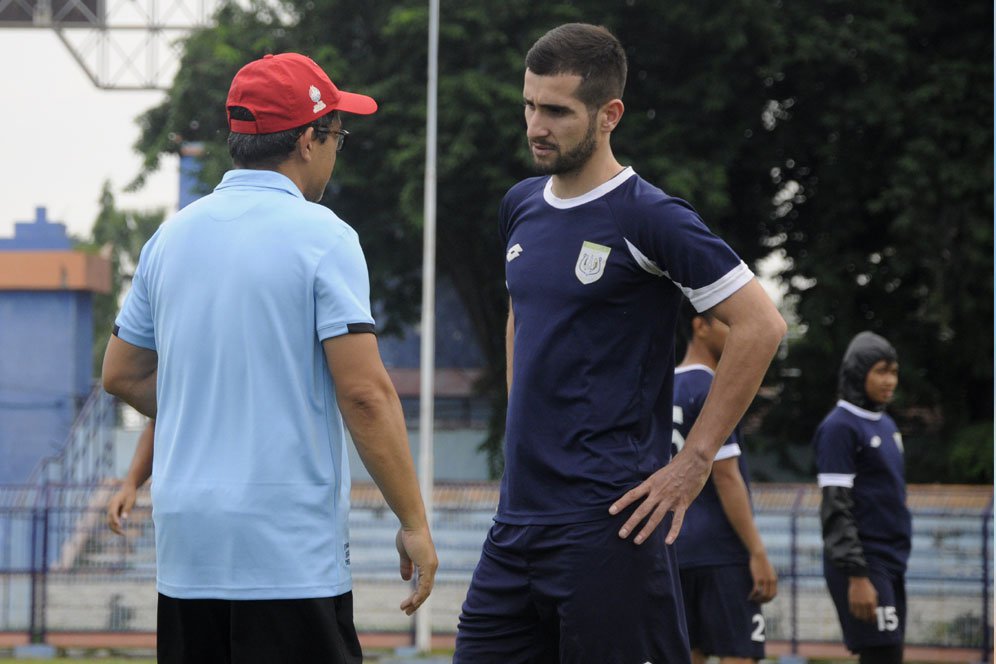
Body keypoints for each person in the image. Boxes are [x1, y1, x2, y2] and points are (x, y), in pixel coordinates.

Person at [453, 23, 786, 663]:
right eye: (529, 105)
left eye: (556, 111)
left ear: (609, 115)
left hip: (610, 524)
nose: (535, 126)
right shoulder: (520, 204)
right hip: (517, 519)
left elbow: (760, 325)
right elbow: (523, 311)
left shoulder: (648, 215)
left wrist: (694, 461)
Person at [101, 52, 437, 664]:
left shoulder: (170, 238)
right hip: (286, 549)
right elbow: (365, 395)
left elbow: (120, 374)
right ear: (309, 140)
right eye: (337, 133)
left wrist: (210, 401)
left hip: (187, 547)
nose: (337, 148)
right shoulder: (324, 236)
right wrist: (413, 520)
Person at [672, 301, 777, 664]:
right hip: (720, 550)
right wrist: (757, 552)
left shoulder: (662, 389)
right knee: (739, 655)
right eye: (726, 325)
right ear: (700, 325)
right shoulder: (713, 389)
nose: (736, 332)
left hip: (671, 550)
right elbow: (726, 476)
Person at [814, 331, 910, 664]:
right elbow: (836, 505)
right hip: (865, 564)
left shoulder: (886, 424)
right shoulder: (840, 426)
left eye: (894, 372)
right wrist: (857, 574)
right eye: (881, 371)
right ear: (858, 371)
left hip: (892, 562)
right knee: (883, 654)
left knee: (889, 654)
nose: (890, 381)